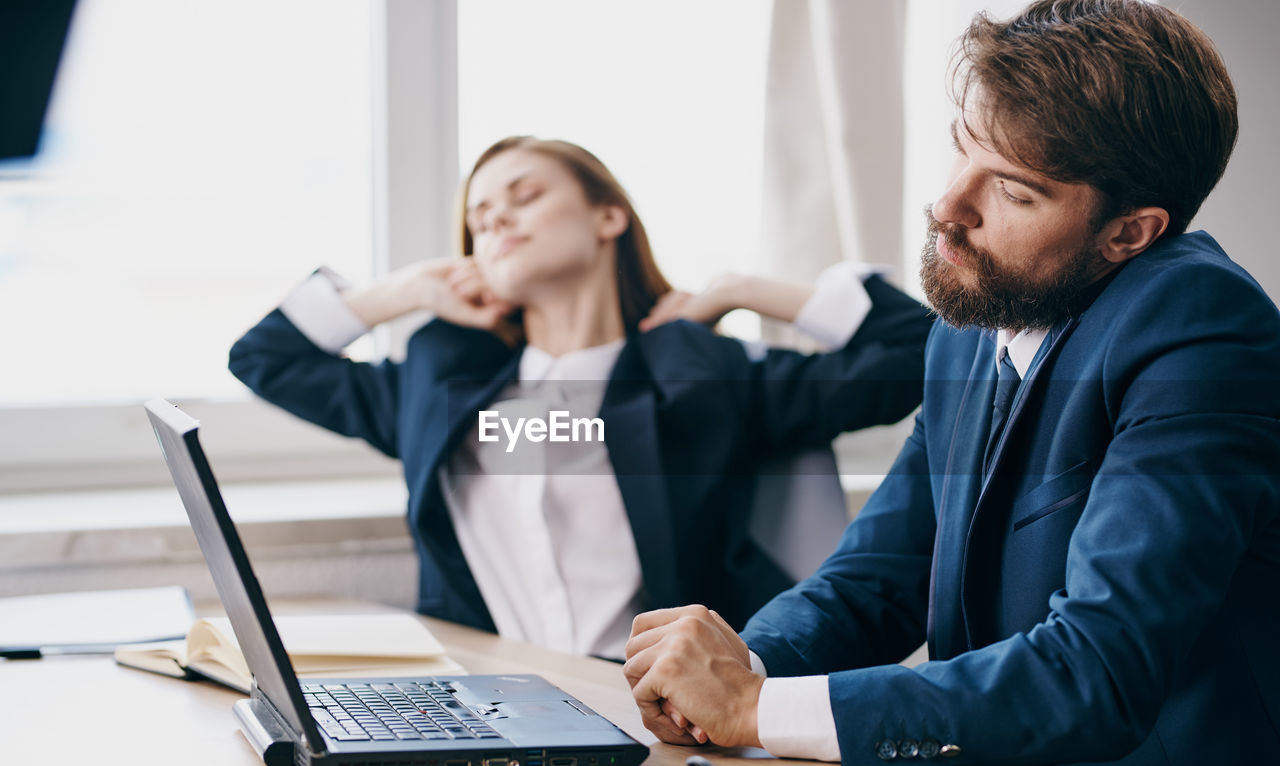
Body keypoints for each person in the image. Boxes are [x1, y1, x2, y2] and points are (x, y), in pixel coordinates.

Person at [623, 0, 1280, 766]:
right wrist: (735, 672)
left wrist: (757, 708)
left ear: (1129, 234)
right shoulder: (971, 325)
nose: (947, 209)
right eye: (961, 147)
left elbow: (1097, 671)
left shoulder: (1200, 328)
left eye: (1011, 189)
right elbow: (878, 578)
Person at [230, 136, 934, 661]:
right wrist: (408, 289)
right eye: (479, 216)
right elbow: (265, 358)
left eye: (524, 196)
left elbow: (922, 352)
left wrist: (742, 289)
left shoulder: (704, 378)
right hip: (483, 704)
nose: (496, 219)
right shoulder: (440, 383)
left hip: (661, 717)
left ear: (608, 218)